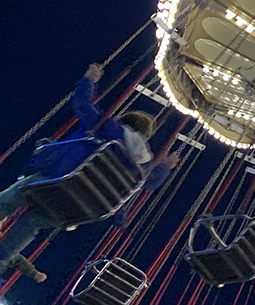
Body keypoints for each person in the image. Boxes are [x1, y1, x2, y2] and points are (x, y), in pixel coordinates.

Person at [0, 63, 179, 283]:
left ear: (124, 122)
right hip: (78, 210)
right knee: (33, 222)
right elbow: (150, 183)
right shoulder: (143, 165)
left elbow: (82, 105)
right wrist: (165, 167)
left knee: (10, 198)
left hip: (57, 182)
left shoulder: (110, 130)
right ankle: (2, 258)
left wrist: (89, 80)